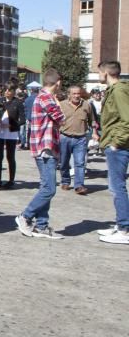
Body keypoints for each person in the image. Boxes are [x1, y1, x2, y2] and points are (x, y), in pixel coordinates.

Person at [15, 68, 65, 240]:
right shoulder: (46, 97)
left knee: (46, 187)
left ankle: (41, 226)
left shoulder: (42, 96)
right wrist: (59, 105)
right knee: (50, 189)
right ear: (57, 82)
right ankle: (26, 216)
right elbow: (61, 118)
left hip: (44, 147)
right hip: (46, 148)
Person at [97, 62, 129, 243]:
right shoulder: (114, 90)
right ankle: (120, 225)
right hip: (114, 143)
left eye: (99, 71)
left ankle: (125, 229)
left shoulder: (118, 91)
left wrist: (117, 142)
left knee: (117, 187)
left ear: (107, 72)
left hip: (118, 146)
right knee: (115, 187)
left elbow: (127, 119)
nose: (98, 74)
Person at [58, 85, 94, 195]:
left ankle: (79, 185)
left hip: (81, 138)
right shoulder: (62, 105)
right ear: (69, 95)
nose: (76, 96)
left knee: (80, 163)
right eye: (74, 94)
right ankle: (65, 180)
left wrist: (94, 133)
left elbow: (91, 121)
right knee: (64, 162)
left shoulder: (86, 105)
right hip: (65, 137)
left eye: (78, 93)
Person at [0, 85, 24, 188]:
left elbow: (23, 120)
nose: (7, 92)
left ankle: (11, 180)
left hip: (11, 133)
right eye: (5, 90)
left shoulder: (18, 102)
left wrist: (11, 125)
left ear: (14, 91)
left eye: (9, 90)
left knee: (10, 157)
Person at [21, 83, 39, 150]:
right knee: (37, 132)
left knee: (28, 132)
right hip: (38, 118)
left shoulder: (27, 99)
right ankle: (36, 145)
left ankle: (28, 145)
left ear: (31, 91)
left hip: (29, 118)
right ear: (37, 91)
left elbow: (25, 109)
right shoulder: (39, 99)